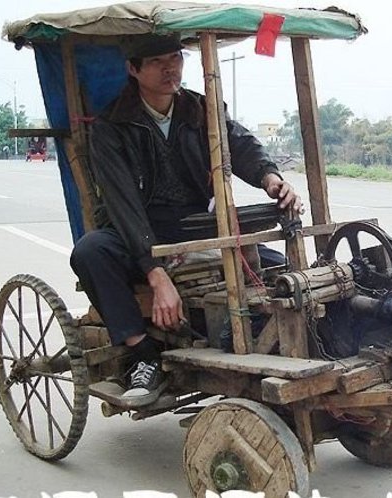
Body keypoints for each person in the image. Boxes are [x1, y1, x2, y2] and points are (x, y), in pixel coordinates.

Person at [70, 33, 302, 405]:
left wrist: (270, 178)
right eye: (158, 62)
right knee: (90, 251)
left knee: (280, 271)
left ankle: (269, 335)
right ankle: (140, 352)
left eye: (176, 58)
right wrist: (155, 272)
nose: (170, 69)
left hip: (196, 225)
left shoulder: (201, 109)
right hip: (136, 230)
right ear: (133, 69)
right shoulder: (110, 127)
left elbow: (239, 144)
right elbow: (122, 204)